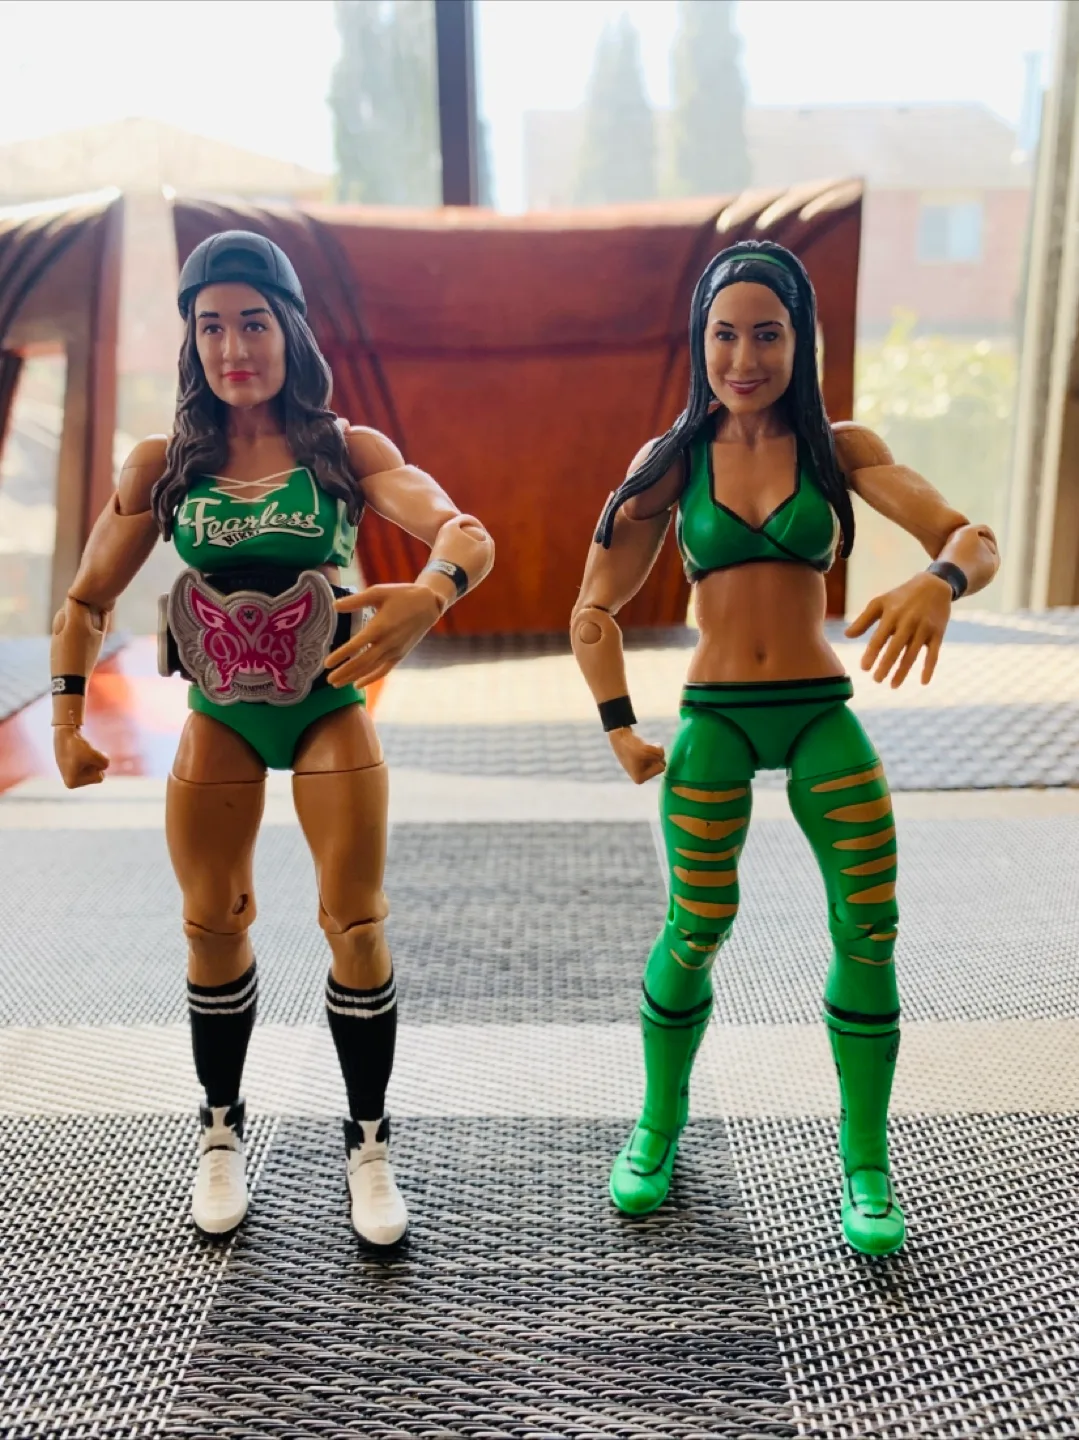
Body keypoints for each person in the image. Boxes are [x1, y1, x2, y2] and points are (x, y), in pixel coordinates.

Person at [50, 230, 494, 1249]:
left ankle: (368, 1142)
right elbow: (85, 597)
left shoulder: (343, 450)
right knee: (212, 921)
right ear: (190, 341)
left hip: (327, 705)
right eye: (211, 326)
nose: (233, 347)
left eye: (252, 322)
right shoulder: (165, 463)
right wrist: (68, 722)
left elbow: (464, 531)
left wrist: (430, 595)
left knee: (355, 920)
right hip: (219, 716)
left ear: (289, 328)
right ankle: (219, 1130)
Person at [570, 239, 999, 1255]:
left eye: (766, 334)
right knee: (695, 924)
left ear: (800, 340)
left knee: (869, 925)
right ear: (698, 341)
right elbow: (593, 608)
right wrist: (617, 724)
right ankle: (657, 1124)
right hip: (714, 717)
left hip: (816, 712)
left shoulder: (836, 448)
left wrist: (936, 582)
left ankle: (865, 1163)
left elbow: (970, 537)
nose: (743, 357)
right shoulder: (671, 461)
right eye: (724, 334)